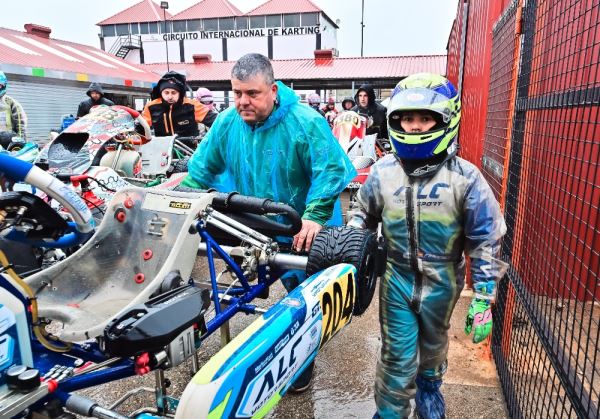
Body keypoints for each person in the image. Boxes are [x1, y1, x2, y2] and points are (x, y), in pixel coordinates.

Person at [180, 53, 356, 392]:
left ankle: (302, 358)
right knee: (244, 285)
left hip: (300, 224)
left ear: (273, 90)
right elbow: (200, 171)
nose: (243, 102)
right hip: (251, 221)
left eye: (252, 93)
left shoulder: (305, 122)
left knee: (302, 291)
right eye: (237, 93)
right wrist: (179, 201)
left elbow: (329, 170)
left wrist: (315, 215)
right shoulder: (228, 123)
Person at [347, 73, 508, 418]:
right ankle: (389, 412)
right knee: (396, 358)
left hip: (443, 281)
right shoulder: (382, 172)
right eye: (407, 118)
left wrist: (483, 295)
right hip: (396, 279)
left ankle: (430, 395)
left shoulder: (465, 178)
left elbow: (486, 237)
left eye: (425, 118)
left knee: (433, 352)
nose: (415, 126)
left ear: (445, 120)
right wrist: (353, 241)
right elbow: (361, 212)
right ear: (395, 121)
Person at [143, 71, 210, 137]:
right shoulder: (151, 107)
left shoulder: (192, 105)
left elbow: (217, 121)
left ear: (180, 93)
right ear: (161, 93)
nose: (170, 97)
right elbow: (141, 128)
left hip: (188, 147)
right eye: (166, 93)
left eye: (174, 93)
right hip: (162, 146)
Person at [0, 70, 27, 147]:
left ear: (3, 85)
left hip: (7, 144)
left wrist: (21, 144)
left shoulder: (11, 103)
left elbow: (21, 125)